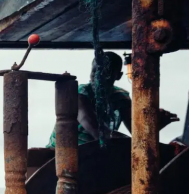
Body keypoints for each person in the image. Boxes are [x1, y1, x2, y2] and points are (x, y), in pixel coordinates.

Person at [46, 51, 178, 147]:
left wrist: (154, 126)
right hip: (63, 155)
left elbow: (137, 132)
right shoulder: (80, 93)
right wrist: (135, 140)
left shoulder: (120, 96)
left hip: (95, 154)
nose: (98, 77)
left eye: (106, 73)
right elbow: (97, 131)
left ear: (118, 76)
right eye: (95, 71)